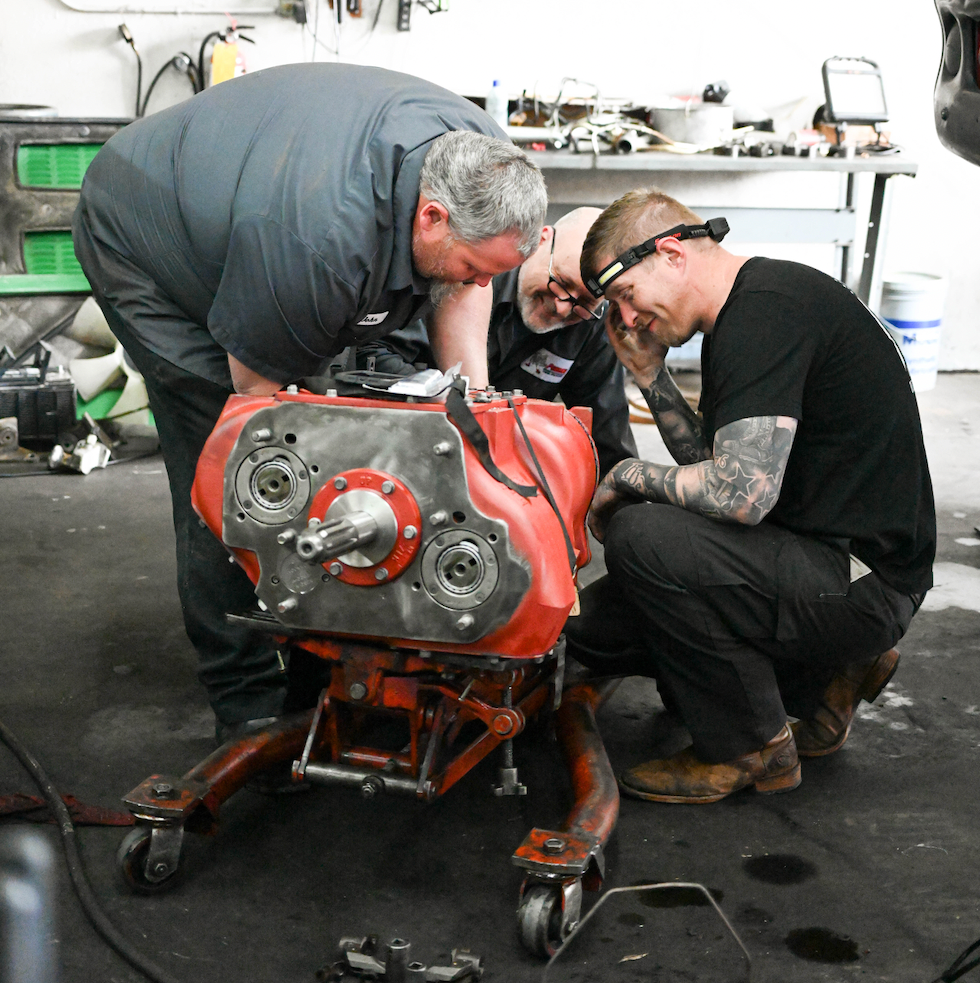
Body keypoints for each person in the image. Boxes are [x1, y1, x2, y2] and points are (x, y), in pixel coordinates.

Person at [74, 63, 547, 740]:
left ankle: (316, 651)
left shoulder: (486, 169)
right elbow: (262, 406)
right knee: (244, 469)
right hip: (144, 227)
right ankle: (247, 698)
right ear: (431, 215)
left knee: (352, 418)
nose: (481, 282)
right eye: (474, 265)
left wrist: (473, 415)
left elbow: (463, 291)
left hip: (264, 214)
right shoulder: (318, 239)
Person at [566, 188, 935, 804]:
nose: (625, 319)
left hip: (860, 580)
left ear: (670, 253)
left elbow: (741, 497)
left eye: (625, 296)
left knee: (640, 537)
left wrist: (624, 477)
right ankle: (826, 680)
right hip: (838, 562)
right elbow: (717, 475)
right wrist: (651, 379)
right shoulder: (754, 308)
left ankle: (751, 748)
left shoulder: (764, 315)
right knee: (597, 630)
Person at [347, 208, 637, 477]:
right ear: (540, 240)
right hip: (401, 449)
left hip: (501, 469)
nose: (562, 307)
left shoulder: (590, 327)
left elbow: (608, 440)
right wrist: (444, 401)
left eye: (583, 302)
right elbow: (376, 355)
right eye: (560, 282)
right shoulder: (470, 272)